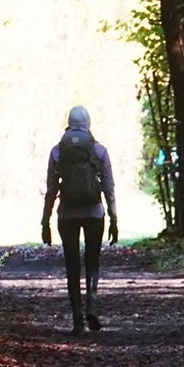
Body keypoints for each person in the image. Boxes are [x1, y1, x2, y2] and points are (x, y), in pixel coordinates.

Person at [40, 105, 119, 334]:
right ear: (88, 124)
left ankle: (76, 317)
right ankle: (91, 306)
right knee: (92, 262)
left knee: (72, 264)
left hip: (67, 214)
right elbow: (109, 188)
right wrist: (114, 218)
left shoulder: (57, 152)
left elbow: (51, 189)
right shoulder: (99, 150)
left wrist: (45, 221)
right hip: (94, 213)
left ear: (69, 123)